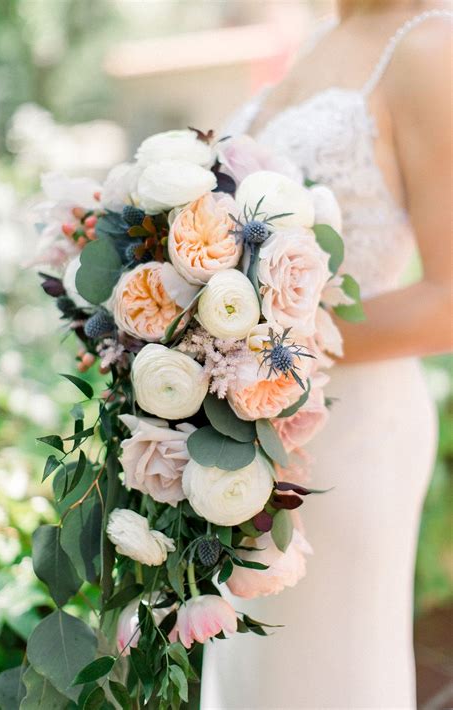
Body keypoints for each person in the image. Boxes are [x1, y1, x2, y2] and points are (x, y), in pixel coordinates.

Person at [201, 2, 452, 707]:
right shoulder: (320, 38)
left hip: (349, 436)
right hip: (251, 435)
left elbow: (448, 300)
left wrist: (256, 344)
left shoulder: (429, 45)